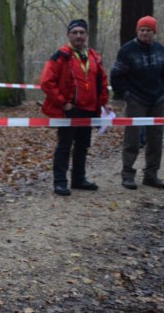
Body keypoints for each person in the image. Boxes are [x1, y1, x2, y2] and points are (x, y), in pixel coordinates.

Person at [40, 19, 111, 196]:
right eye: (75, 32)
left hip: (89, 109)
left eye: (82, 32)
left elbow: (102, 81)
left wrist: (103, 103)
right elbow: (47, 82)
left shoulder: (94, 56)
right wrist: (63, 103)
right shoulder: (60, 56)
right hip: (69, 110)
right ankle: (60, 182)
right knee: (64, 146)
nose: (78, 36)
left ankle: (78, 179)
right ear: (68, 35)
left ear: (86, 35)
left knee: (82, 145)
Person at [110, 15, 164, 190]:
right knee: (132, 138)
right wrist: (124, 95)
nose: (145, 33)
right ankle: (128, 175)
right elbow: (116, 74)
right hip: (136, 99)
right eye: (142, 30)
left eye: (148, 30)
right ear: (137, 31)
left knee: (156, 139)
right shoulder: (127, 50)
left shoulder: (159, 49)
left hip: (158, 99)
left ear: (154, 32)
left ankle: (151, 174)